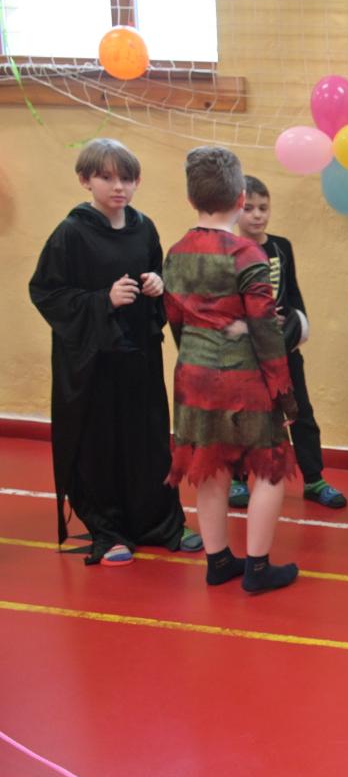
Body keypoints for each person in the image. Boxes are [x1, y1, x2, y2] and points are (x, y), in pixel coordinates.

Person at [29, 138, 202, 566]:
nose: (118, 186)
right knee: (100, 443)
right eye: (106, 177)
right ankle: (107, 530)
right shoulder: (71, 233)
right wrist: (102, 300)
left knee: (148, 440)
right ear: (85, 180)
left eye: (126, 178)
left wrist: (159, 285)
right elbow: (47, 292)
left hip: (139, 356)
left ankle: (159, 522)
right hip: (94, 364)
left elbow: (159, 273)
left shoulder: (144, 227)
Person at [163, 146, 298, 593]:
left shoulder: (176, 252)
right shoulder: (247, 253)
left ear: (190, 199)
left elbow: (175, 320)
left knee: (210, 465)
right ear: (241, 199)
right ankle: (257, 568)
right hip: (244, 380)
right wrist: (283, 390)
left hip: (193, 375)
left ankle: (218, 561)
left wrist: (197, 354)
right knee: (269, 468)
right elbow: (265, 330)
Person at [227, 175, 348, 510]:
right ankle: (237, 478)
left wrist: (297, 325)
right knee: (242, 416)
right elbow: (225, 305)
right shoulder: (228, 250)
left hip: (283, 351)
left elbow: (292, 292)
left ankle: (314, 479)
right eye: (249, 208)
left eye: (263, 208)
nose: (257, 215)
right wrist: (255, 325)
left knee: (301, 413)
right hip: (246, 354)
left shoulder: (281, 246)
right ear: (235, 210)